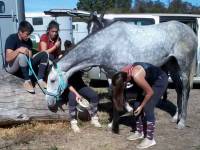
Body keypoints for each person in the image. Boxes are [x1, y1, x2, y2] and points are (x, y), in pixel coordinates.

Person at [112, 62, 168, 149]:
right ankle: (140, 132)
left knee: (148, 107)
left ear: (125, 81)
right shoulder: (122, 74)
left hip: (159, 80)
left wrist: (142, 106)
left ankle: (150, 139)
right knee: (136, 104)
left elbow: (150, 92)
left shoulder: (136, 75)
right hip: (147, 79)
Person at [4, 21, 48, 93]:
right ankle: (27, 81)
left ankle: (40, 79)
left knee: (45, 54)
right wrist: (18, 50)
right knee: (21, 55)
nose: (28, 36)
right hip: (11, 67)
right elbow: (8, 58)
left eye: (29, 34)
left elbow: (29, 59)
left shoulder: (29, 41)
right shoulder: (11, 38)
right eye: (27, 34)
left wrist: (29, 53)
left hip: (24, 64)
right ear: (20, 32)